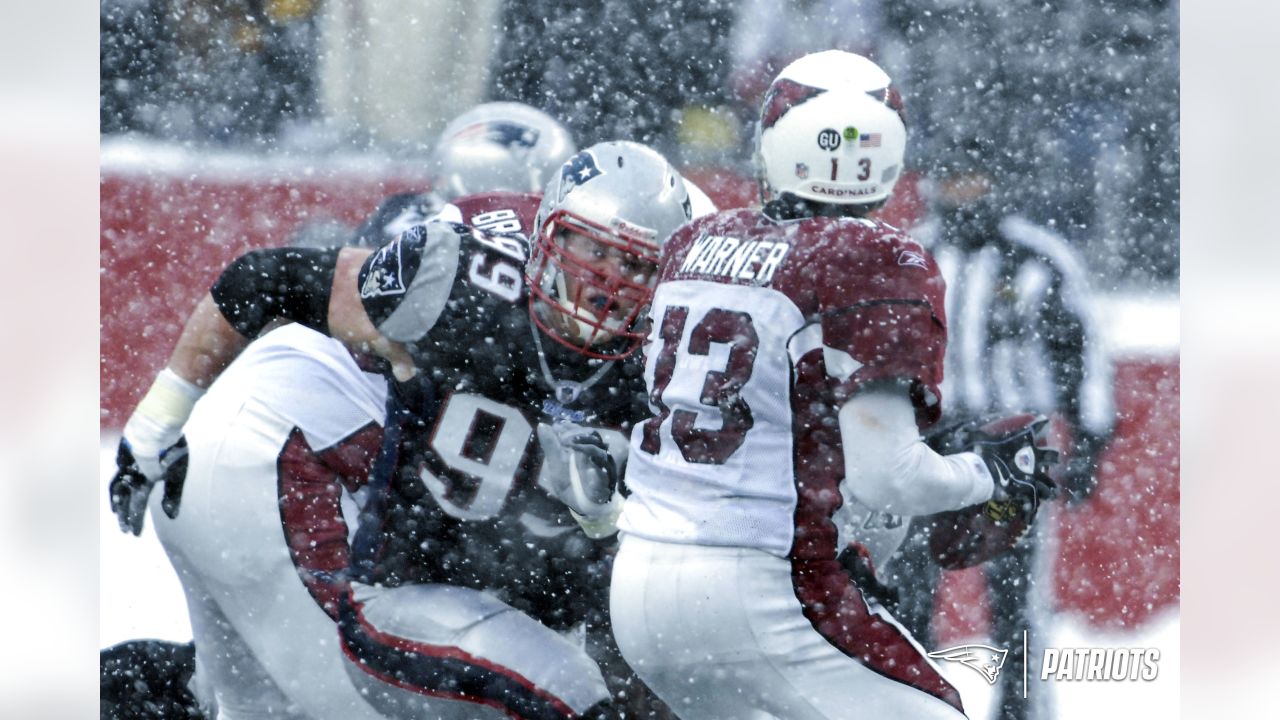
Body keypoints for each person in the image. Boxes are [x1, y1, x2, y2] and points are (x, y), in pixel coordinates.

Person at [107, 141, 703, 719]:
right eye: (595, 252)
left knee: (243, 703)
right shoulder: (457, 281)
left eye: (635, 266)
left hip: (290, 482)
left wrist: (603, 514)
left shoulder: (654, 363)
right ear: (545, 229)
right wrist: (155, 423)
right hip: (275, 463)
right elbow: (266, 279)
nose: (609, 283)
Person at [609, 50, 1057, 720]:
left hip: (641, 580)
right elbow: (890, 478)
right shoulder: (874, 259)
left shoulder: (696, 240)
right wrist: (987, 475)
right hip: (764, 586)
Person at [889, 138, 1115, 720]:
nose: (964, 192)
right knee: (907, 590)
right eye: (953, 179)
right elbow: (885, 353)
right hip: (928, 444)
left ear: (997, 184)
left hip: (1012, 446)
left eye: (975, 179)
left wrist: (1089, 440)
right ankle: (908, 705)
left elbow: (1081, 353)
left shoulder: (1038, 258)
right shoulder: (915, 253)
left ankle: (1020, 710)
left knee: (1015, 600)